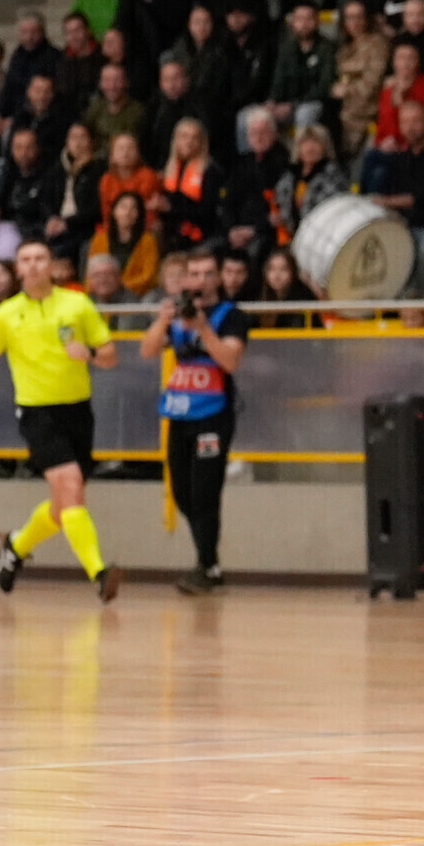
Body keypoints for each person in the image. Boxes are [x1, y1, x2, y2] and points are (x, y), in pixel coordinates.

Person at [0, 236, 126, 600]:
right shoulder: (6, 314)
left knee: (64, 503)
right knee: (71, 486)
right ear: (18, 269)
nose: (34, 265)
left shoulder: (77, 304)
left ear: (52, 265)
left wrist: (88, 353)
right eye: (27, 259)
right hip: (36, 413)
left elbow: (110, 355)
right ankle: (99, 573)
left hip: (78, 412)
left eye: (41, 258)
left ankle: (15, 547)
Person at [136, 246, 250, 594]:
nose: (201, 281)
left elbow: (230, 360)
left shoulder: (231, 316)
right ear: (185, 279)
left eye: (208, 273)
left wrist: (202, 328)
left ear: (218, 278)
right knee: (182, 491)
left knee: (205, 492)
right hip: (180, 411)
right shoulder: (176, 313)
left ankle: (207, 565)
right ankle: (208, 561)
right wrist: (162, 321)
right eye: (195, 274)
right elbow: (147, 351)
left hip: (214, 414)